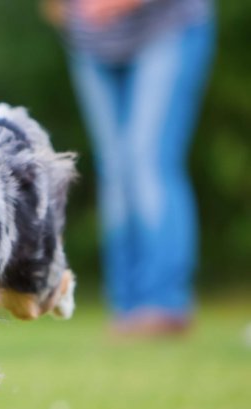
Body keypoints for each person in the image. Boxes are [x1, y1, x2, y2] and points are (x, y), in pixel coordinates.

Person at [43, 0, 216, 336]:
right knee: (116, 172)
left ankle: (163, 304)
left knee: (147, 161)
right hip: (92, 41)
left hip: (166, 27)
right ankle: (127, 306)